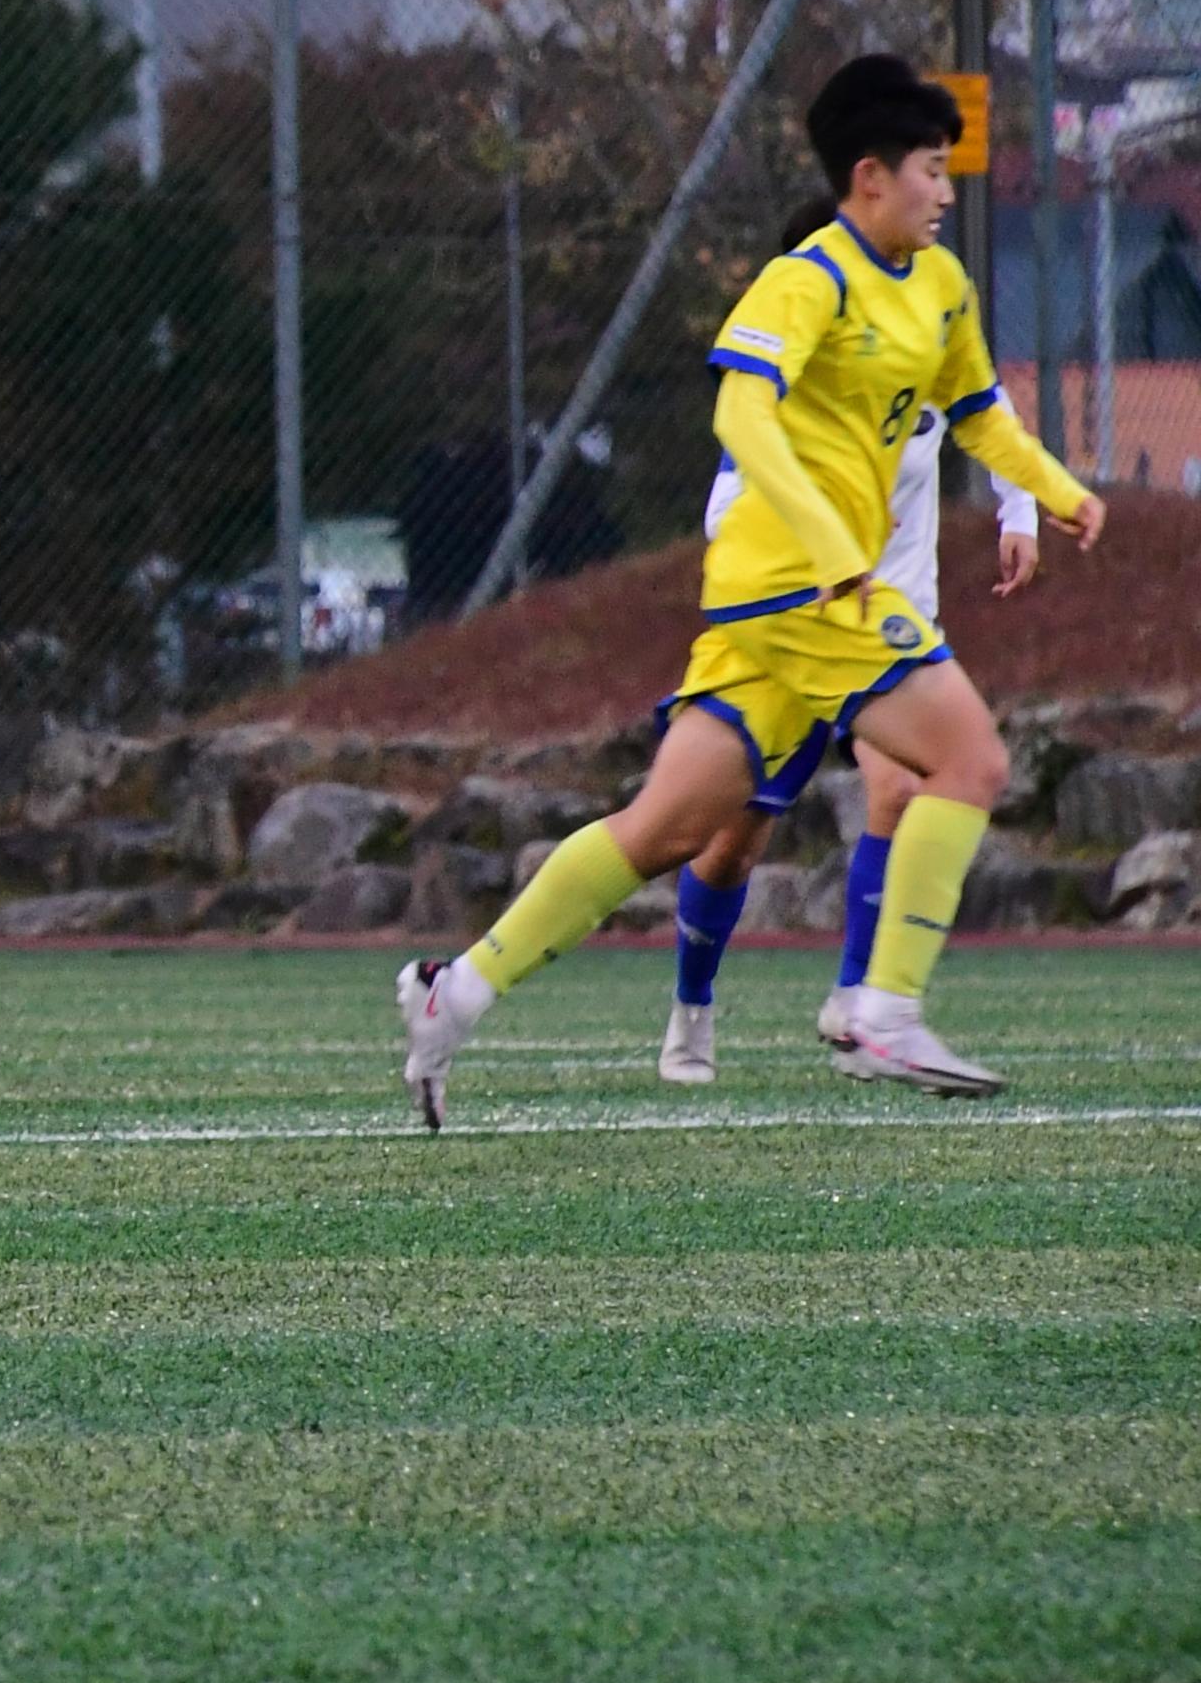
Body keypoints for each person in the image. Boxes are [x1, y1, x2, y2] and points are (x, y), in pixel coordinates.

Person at [400, 55, 1102, 1125]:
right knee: (970, 757)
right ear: (870, 176)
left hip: (786, 603)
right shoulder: (806, 278)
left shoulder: (942, 286)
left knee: (663, 829)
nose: (947, 191)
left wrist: (1054, 489)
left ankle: (459, 990)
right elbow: (741, 416)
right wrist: (827, 543)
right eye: (929, 169)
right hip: (797, 589)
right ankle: (884, 1008)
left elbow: (980, 412)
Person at [660, 308, 1044, 1084]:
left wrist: (1022, 509)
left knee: (900, 788)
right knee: (730, 842)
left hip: (892, 623)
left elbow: (987, 410)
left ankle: (855, 1006)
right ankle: (690, 1008)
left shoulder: (926, 340)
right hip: (797, 623)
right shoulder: (799, 370)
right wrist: (821, 532)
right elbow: (724, 508)